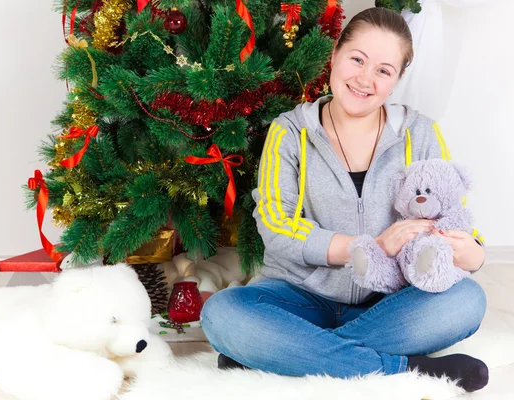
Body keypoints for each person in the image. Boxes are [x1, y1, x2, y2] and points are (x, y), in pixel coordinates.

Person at [201, 7, 488, 393]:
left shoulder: (420, 133)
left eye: (384, 71)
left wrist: (474, 253)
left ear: (397, 80)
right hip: (299, 295)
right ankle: (405, 366)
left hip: (390, 302)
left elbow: (452, 214)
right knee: (223, 314)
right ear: (336, 55)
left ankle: (283, 351)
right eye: (358, 59)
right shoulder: (289, 132)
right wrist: (368, 248)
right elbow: (275, 226)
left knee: (467, 300)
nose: (365, 79)